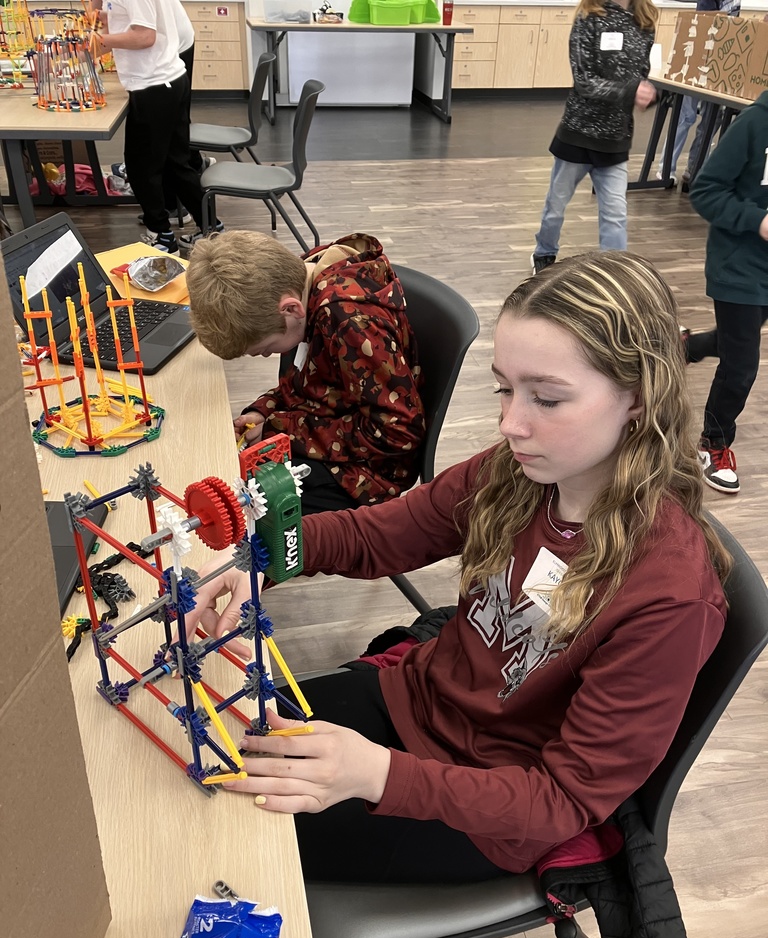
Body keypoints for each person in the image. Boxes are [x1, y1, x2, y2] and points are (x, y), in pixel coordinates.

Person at [183, 251, 730, 884]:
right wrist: (265, 557)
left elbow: (565, 801)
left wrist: (377, 774)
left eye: (547, 399)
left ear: (637, 398)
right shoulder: (516, 473)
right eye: (505, 387)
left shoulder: (670, 595)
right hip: (415, 702)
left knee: (219, 828)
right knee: (211, 737)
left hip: (487, 810)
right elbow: (382, 534)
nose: (510, 422)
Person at [186, 230, 425, 515]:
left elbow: (399, 433)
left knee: (257, 515)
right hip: (334, 428)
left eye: (266, 349)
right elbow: (310, 377)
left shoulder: (351, 322)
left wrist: (282, 428)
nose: (267, 355)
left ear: (291, 309)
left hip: (369, 471)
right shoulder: (301, 279)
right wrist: (265, 410)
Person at [531, 0, 657, 274]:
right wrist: (629, 91)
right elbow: (584, 81)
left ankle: (614, 273)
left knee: (615, 215)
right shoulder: (589, 17)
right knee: (556, 207)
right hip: (578, 134)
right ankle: (544, 252)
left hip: (615, 138)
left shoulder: (644, 22)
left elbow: (642, 74)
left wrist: (648, 91)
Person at [688, 91, 768, 495]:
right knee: (741, 366)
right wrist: (757, 220)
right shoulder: (754, 124)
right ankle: (713, 443)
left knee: (739, 341)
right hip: (739, 266)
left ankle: (685, 346)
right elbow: (705, 191)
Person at [95, 0, 216, 254]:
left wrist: (99, 42)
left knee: (142, 168)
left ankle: (161, 236)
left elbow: (144, 36)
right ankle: (212, 229)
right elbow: (118, 18)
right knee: (176, 163)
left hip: (154, 85)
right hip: (168, 80)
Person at [655, 0, 741, 190]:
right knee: (686, 116)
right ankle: (666, 169)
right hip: (697, 56)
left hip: (721, 60)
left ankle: (694, 169)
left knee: (714, 117)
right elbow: (704, 20)